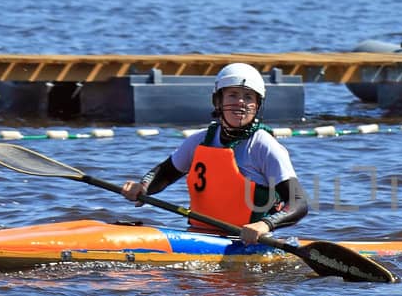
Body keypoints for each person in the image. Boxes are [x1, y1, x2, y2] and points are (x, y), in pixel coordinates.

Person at [121, 63, 309, 244]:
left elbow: (298, 202)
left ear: (258, 105)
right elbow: (165, 173)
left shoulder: (264, 145)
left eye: (249, 97)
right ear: (218, 101)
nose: (241, 102)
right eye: (233, 95)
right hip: (199, 236)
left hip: (244, 242)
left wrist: (265, 225)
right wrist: (143, 187)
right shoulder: (199, 140)